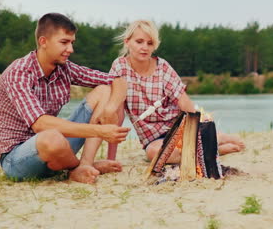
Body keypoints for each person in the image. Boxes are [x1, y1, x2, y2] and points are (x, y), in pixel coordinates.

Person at [0, 13, 130, 184]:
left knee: (103, 91)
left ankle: (85, 165)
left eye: (72, 43)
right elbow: (40, 124)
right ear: (43, 42)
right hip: (16, 159)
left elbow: (119, 81)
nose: (70, 49)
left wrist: (110, 109)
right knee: (51, 137)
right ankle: (76, 167)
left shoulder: (64, 68)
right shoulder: (19, 73)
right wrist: (100, 131)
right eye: (64, 42)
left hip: (56, 150)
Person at [103, 20, 244, 163]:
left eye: (150, 43)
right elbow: (118, 114)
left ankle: (215, 139)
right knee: (154, 154)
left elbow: (183, 101)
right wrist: (110, 159)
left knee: (191, 140)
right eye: (139, 42)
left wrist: (202, 125)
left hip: (179, 128)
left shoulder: (162, 66)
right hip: (153, 138)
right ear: (127, 42)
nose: (144, 47)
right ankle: (214, 150)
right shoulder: (119, 67)